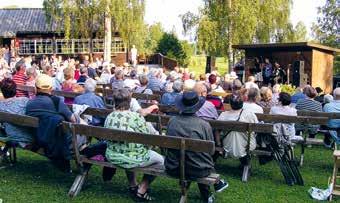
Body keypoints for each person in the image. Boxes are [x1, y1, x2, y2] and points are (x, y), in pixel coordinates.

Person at [165, 91, 228, 202]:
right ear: (197, 107)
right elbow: (211, 150)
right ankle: (213, 189)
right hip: (198, 170)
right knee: (201, 160)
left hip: (173, 167)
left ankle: (211, 191)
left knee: (195, 159)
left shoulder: (172, 121)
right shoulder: (204, 125)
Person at [105, 88, 163, 201]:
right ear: (130, 101)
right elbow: (150, 138)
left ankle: (133, 185)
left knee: (129, 150)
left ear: (115, 101)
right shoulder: (136, 117)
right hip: (132, 157)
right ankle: (142, 189)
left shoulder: (109, 117)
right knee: (162, 162)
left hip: (113, 155)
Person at [26, 74, 78, 172]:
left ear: (36, 88)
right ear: (51, 88)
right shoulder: (57, 102)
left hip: (39, 137)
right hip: (59, 140)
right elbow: (73, 120)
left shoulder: (30, 104)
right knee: (78, 122)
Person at [218, 94, 258, 159]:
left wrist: (219, 143)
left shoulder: (223, 115)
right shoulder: (250, 115)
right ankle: (245, 162)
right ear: (242, 103)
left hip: (227, 145)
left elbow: (217, 129)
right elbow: (256, 129)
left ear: (230, 104)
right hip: (247, 145)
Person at [0, 78, 34, 147]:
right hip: (30, 137)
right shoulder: (25, 100)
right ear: (15, 90)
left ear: (2, 91)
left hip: (12, 139)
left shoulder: (1, 106)